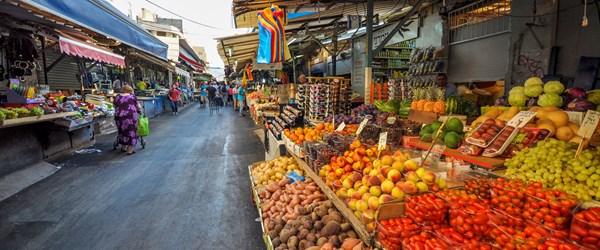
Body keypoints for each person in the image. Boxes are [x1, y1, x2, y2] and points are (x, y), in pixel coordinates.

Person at [114, 85, 141, 155]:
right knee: (131, 131)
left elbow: (115, 105)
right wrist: (139, 111)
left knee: (122, 131)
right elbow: (138, 106)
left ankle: (123, 147)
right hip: (130, 117)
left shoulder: (117, 96)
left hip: (119, 117)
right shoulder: (132, 96)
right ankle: (130, 150)